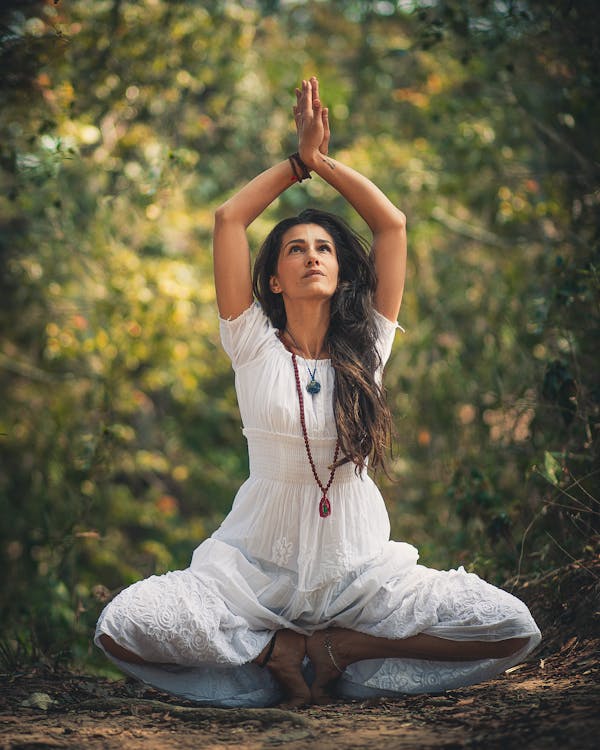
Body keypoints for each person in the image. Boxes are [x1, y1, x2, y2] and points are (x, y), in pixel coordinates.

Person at [95, 77, 541, 707]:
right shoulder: (249, 341)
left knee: (509, 628)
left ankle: (343, 649)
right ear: (273, 280)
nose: (313, 256)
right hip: (253, 568)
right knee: (122, 628)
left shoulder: (369, 344)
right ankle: (273, 651)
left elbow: (391, 225)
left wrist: (323, 163)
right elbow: (229, 218)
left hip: (357, 570)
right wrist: (294, 165)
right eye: (296, 249)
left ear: (340, 269)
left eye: (325, 248)